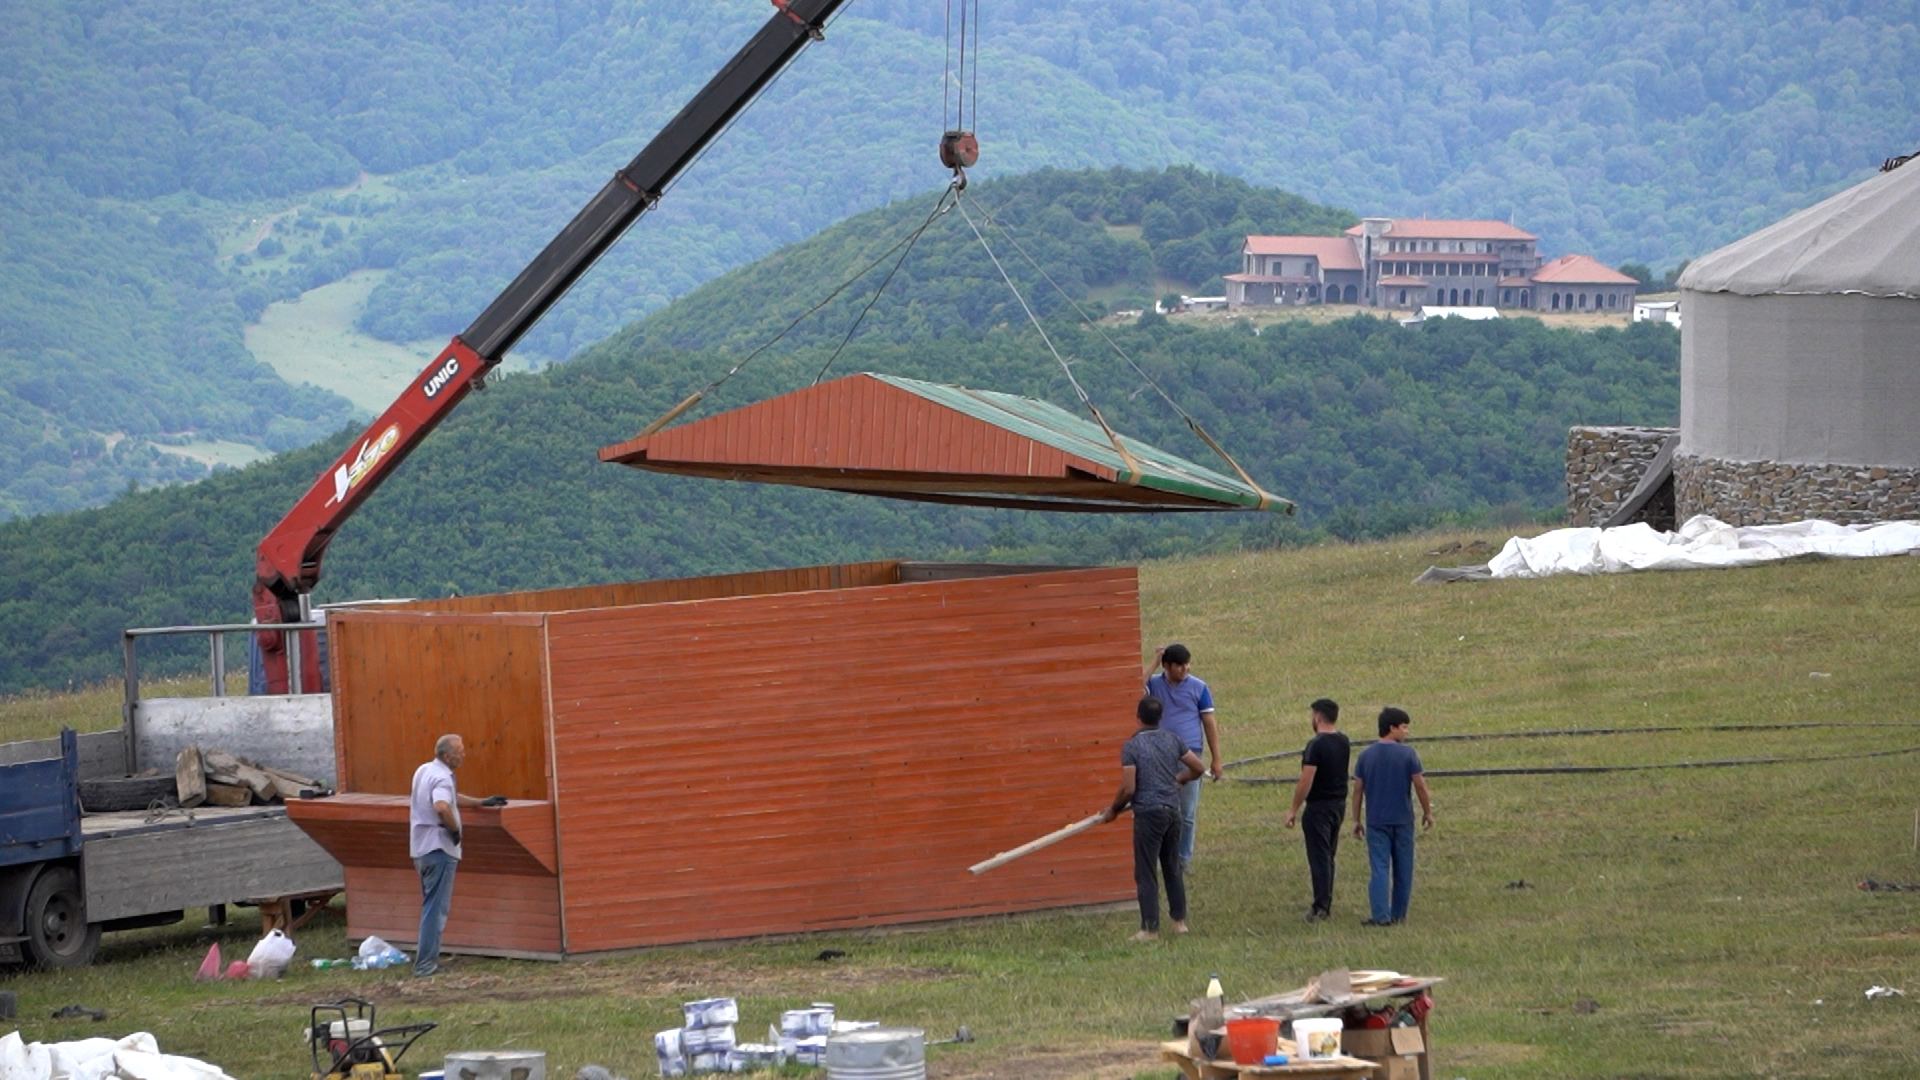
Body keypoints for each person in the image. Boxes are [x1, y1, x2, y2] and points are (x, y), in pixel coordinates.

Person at [1101, 696, 1206, 941]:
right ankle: (1179, 923)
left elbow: (1128, 788)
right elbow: (1198, 768)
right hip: (1172, 811)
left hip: (1148, 814)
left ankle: (1149, 929)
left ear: (1138, 717)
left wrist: (1113, 810)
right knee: (1172, 867)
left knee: (1146, 871)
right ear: (1160, 718)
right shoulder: (1173, 739)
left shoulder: (1132, 747)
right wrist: (1179, 780)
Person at [408, 734, 505, 976]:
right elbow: (441, 806)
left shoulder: (425, 770)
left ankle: (426, 960)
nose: (464, 754)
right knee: (435, 910)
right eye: (460, 751)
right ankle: (425, 966)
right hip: (440, 848)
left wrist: (482, 802)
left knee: (430, 906)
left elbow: (449, 799)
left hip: (421, 848)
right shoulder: (442, 777)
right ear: (447, 755)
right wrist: (454, 830)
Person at [1350, 707, 1433, 927]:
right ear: (1391, 728)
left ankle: (1380, 915)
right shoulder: (1408, 755)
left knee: (1379, 867)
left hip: (1376, 821)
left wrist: (1356, 819)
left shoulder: (1366, 756)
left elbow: (1358, 789)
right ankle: (1399, 914)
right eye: (1404, 727)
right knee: (1404, 868)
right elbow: (1420, 785)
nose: (1407, 732)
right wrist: (1427, 811)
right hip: (1403, 820)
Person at [1144, 643, 1221, 874]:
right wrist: (1154, 662)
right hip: (1160, 755)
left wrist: (1216, 758)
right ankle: (1162, 857)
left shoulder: (1199, 688)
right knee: (1160, 809)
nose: (1185, 669)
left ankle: (1182, 858)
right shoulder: (1154, 684)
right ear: (1167, 666)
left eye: (1187, 664)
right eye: (1179, 665)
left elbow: (1209, 722)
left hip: (1190, 756)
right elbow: (1133, 687)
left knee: (1186, 812)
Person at [1284, 698, 1349, 922]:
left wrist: (1293, 808)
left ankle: (1321, 906)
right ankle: (1326, 899)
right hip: (1338, 804)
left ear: (1318, 717)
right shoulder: (1343, 741)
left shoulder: (1316, 745)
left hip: (1318, 807)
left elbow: (1306, 780)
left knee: (1319, 857)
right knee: (1329, 855)